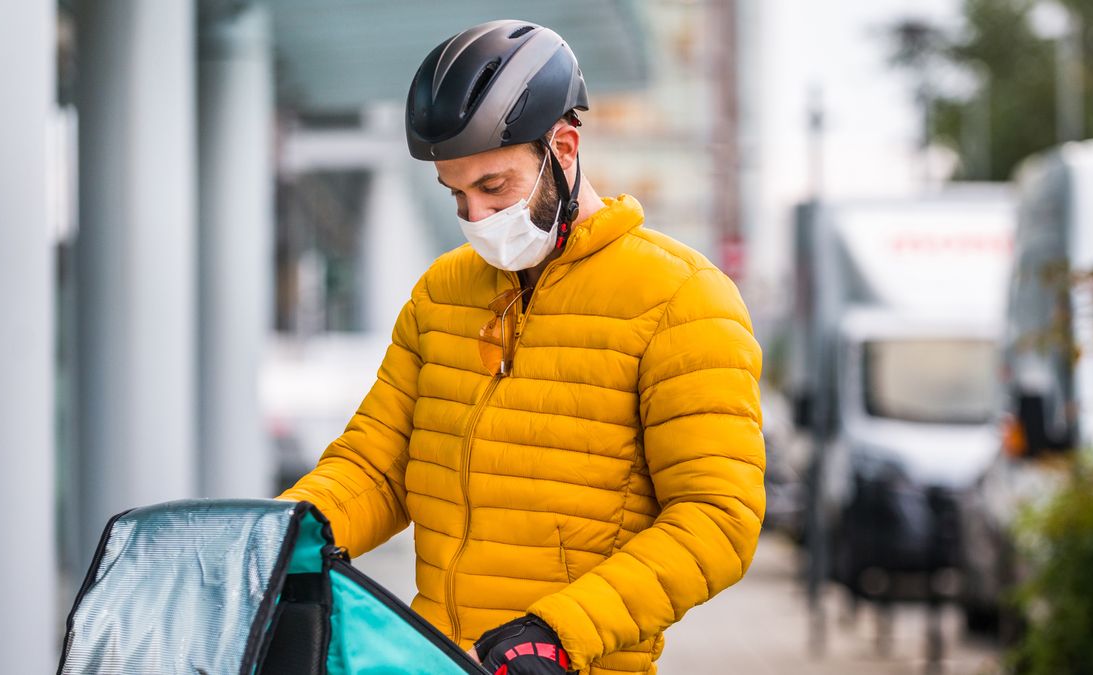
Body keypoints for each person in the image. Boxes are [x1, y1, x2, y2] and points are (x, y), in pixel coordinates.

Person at [279, 19, 765, 675]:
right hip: (437, 658)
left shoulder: (681, 298)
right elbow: (377, 466)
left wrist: (557, 632)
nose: (475, 218)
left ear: (563, 149)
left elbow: (717, 518)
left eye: (494, 187)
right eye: (456, 193)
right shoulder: (444, 291)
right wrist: (278, 536)